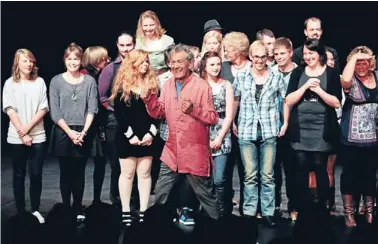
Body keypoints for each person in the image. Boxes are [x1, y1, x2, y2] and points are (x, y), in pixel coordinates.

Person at [142, 44, 220, 220]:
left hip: (194, 152)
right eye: (172, 62)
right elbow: (160, 112)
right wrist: (149, 100)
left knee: (205, 195)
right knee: (161, 192)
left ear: (190, 64)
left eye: (179, 62)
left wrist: (195, 110)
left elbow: (213, 117)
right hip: (172, 150)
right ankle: (156, 226)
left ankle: (219, 230)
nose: (175, 66)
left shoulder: (202, 86)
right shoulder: (168, 84)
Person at [233, 40, 287, 227]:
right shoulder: (241, 76)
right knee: (249, 174)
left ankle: (268, 212)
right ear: (250, 57)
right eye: (256, 56)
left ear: (267, 57)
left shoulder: (275, 75)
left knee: (267, 175)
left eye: (263, 56)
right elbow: (235, 100)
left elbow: (284, 99)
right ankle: (249, 211)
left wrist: (285, 122)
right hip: (246, 129)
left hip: (269, 129)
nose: (259, 60)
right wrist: (232, 121)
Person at [285, 38, 341, 218]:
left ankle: (321, 207)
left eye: (312, 53)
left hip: (322, 129)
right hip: (301, 128)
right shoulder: (298, 72)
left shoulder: (331, 73)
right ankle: (302, 207)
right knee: (301, 167)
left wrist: (319, 91)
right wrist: (306, 87)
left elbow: (336, 102)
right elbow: (289, 100)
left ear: (320, 54)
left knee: (319, 165)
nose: (308, 57)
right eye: (306, 54)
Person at [49, 43, 98, 222]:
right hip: (64, 131)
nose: (73, 62)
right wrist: (70, 132)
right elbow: (55, 111)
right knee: (65, 172)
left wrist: (83, 132)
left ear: (81, 60)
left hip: (83, 131)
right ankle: (66, 208)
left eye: (76, 59)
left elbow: (92, 108)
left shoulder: (89, 81)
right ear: (65, 60)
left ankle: (78, 207)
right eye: (69, 59)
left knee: (79, 172)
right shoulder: (56, 81)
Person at [110, 49, 159, 226]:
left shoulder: (153, 85)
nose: (145, 64)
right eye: (141, 61)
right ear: (132, 64)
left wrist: (151, 134)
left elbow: (158, 113)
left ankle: (144, 211)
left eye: (147, 61)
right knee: (127, 173)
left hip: (147, 136)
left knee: (145, 174)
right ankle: (125, 210)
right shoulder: (123, 86)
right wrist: (130, 135)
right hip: (127, 136)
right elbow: (119, 113)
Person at [2, 49, 49, 224]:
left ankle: (35, 210)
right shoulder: (10, 84)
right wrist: (22, 132)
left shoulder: (40, 82)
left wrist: (28, 129)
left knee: (36, 174)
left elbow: (43, 108)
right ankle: (21, 211)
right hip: (16, 136)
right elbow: (9, 108)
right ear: (17, 63)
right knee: (19, 175)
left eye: (30, 61)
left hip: (37, 135)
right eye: (24, 61)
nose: (28, 64)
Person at [98, 30, 138, 208]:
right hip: (115, 121)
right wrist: (117, 110)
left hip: (138, 122)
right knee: (117, 164)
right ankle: (117, 201)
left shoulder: (140, 66)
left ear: (134, 45)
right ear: (117, 46)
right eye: (122, 45)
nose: (125, 49)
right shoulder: (110, 69)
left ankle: (135, 201)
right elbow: (103, 98)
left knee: (137, 164)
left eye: (129, 45)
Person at [339, 46, 378, 227]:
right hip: (351, 137)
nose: (361, 66)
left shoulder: (376, 76)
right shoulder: (350, 78)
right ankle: (349, 213)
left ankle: (369, 210)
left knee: (369, 175)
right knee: (350, 175)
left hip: (373, 136)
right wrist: (355, 58)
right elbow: (345, 81)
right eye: (358, 62)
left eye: (365, 62)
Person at [200, 51, 234, 217]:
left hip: (221, 133)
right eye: (212, 64)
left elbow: (229, 115)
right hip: (201, 133)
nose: (216, 67)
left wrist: (220, 137)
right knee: (204, 179)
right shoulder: (199, 84)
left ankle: (220, 212)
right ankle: (208, 211)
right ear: (205, 67)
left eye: (218, 64)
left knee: (220, 178)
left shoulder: (226, 85)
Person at [272, 37, 298, 222]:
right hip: (272, 126)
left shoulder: (299, 72)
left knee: (292, 169)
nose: (279, 57)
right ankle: (273, 206)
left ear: (290, 52)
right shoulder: (271, 71)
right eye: (276, 54)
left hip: (293, 127)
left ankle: (293, 206)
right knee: (272, 170)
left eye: (283, 53)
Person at [81, 46, 110, 205]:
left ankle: (97, 200)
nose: (107, 61)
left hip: (99, 124)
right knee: (81, 164)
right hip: (86, 124)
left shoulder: (103, 73)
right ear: (95, 61)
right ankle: (78, 202)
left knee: (100, 162)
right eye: (104, 59)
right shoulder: (85, 75)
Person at [135, 10, 174, 77]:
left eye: (151, 25)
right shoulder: (138, 42)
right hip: (145, 79)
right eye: (145, 25)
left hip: (165, 77)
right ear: (141, 26)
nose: (148, 28)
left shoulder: (167, 41)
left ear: (157, 25)